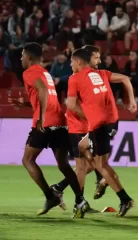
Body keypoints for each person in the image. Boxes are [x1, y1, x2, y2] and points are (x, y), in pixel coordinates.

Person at [19, 42, 88, 217]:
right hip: (60, 121)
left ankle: (51, 197)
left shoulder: (29, 72)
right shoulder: (46, 73)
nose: (21, 59)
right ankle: (80, 200)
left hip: (45, 123)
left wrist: (41, 116)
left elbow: (42, 91)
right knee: (63, 165)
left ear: (29, 57)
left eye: (22, 56)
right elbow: (45, 96)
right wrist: (28, 104)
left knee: (27, 160)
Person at [67, 48, 136, 217]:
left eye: (71, 62)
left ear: (78, 62)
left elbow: (70, 105)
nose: (70, 65)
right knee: (83, 147)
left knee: (101, 165)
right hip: (112, 121)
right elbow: (126, 79)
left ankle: (124, 199)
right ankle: (99, 180)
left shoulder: (74, 78)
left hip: (98, 124)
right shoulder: (101, 73)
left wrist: (87, 115)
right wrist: (132, 101)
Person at [51, 45, 109, 202]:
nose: (99, 60)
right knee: (89, 164)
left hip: (88, 126)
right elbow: (72, 104)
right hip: (79, 126)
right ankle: (80, 200)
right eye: (96, 57)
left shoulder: (94, 76)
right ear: (87, 59)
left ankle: (62, 189)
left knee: (93, 162)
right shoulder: (77, 78)